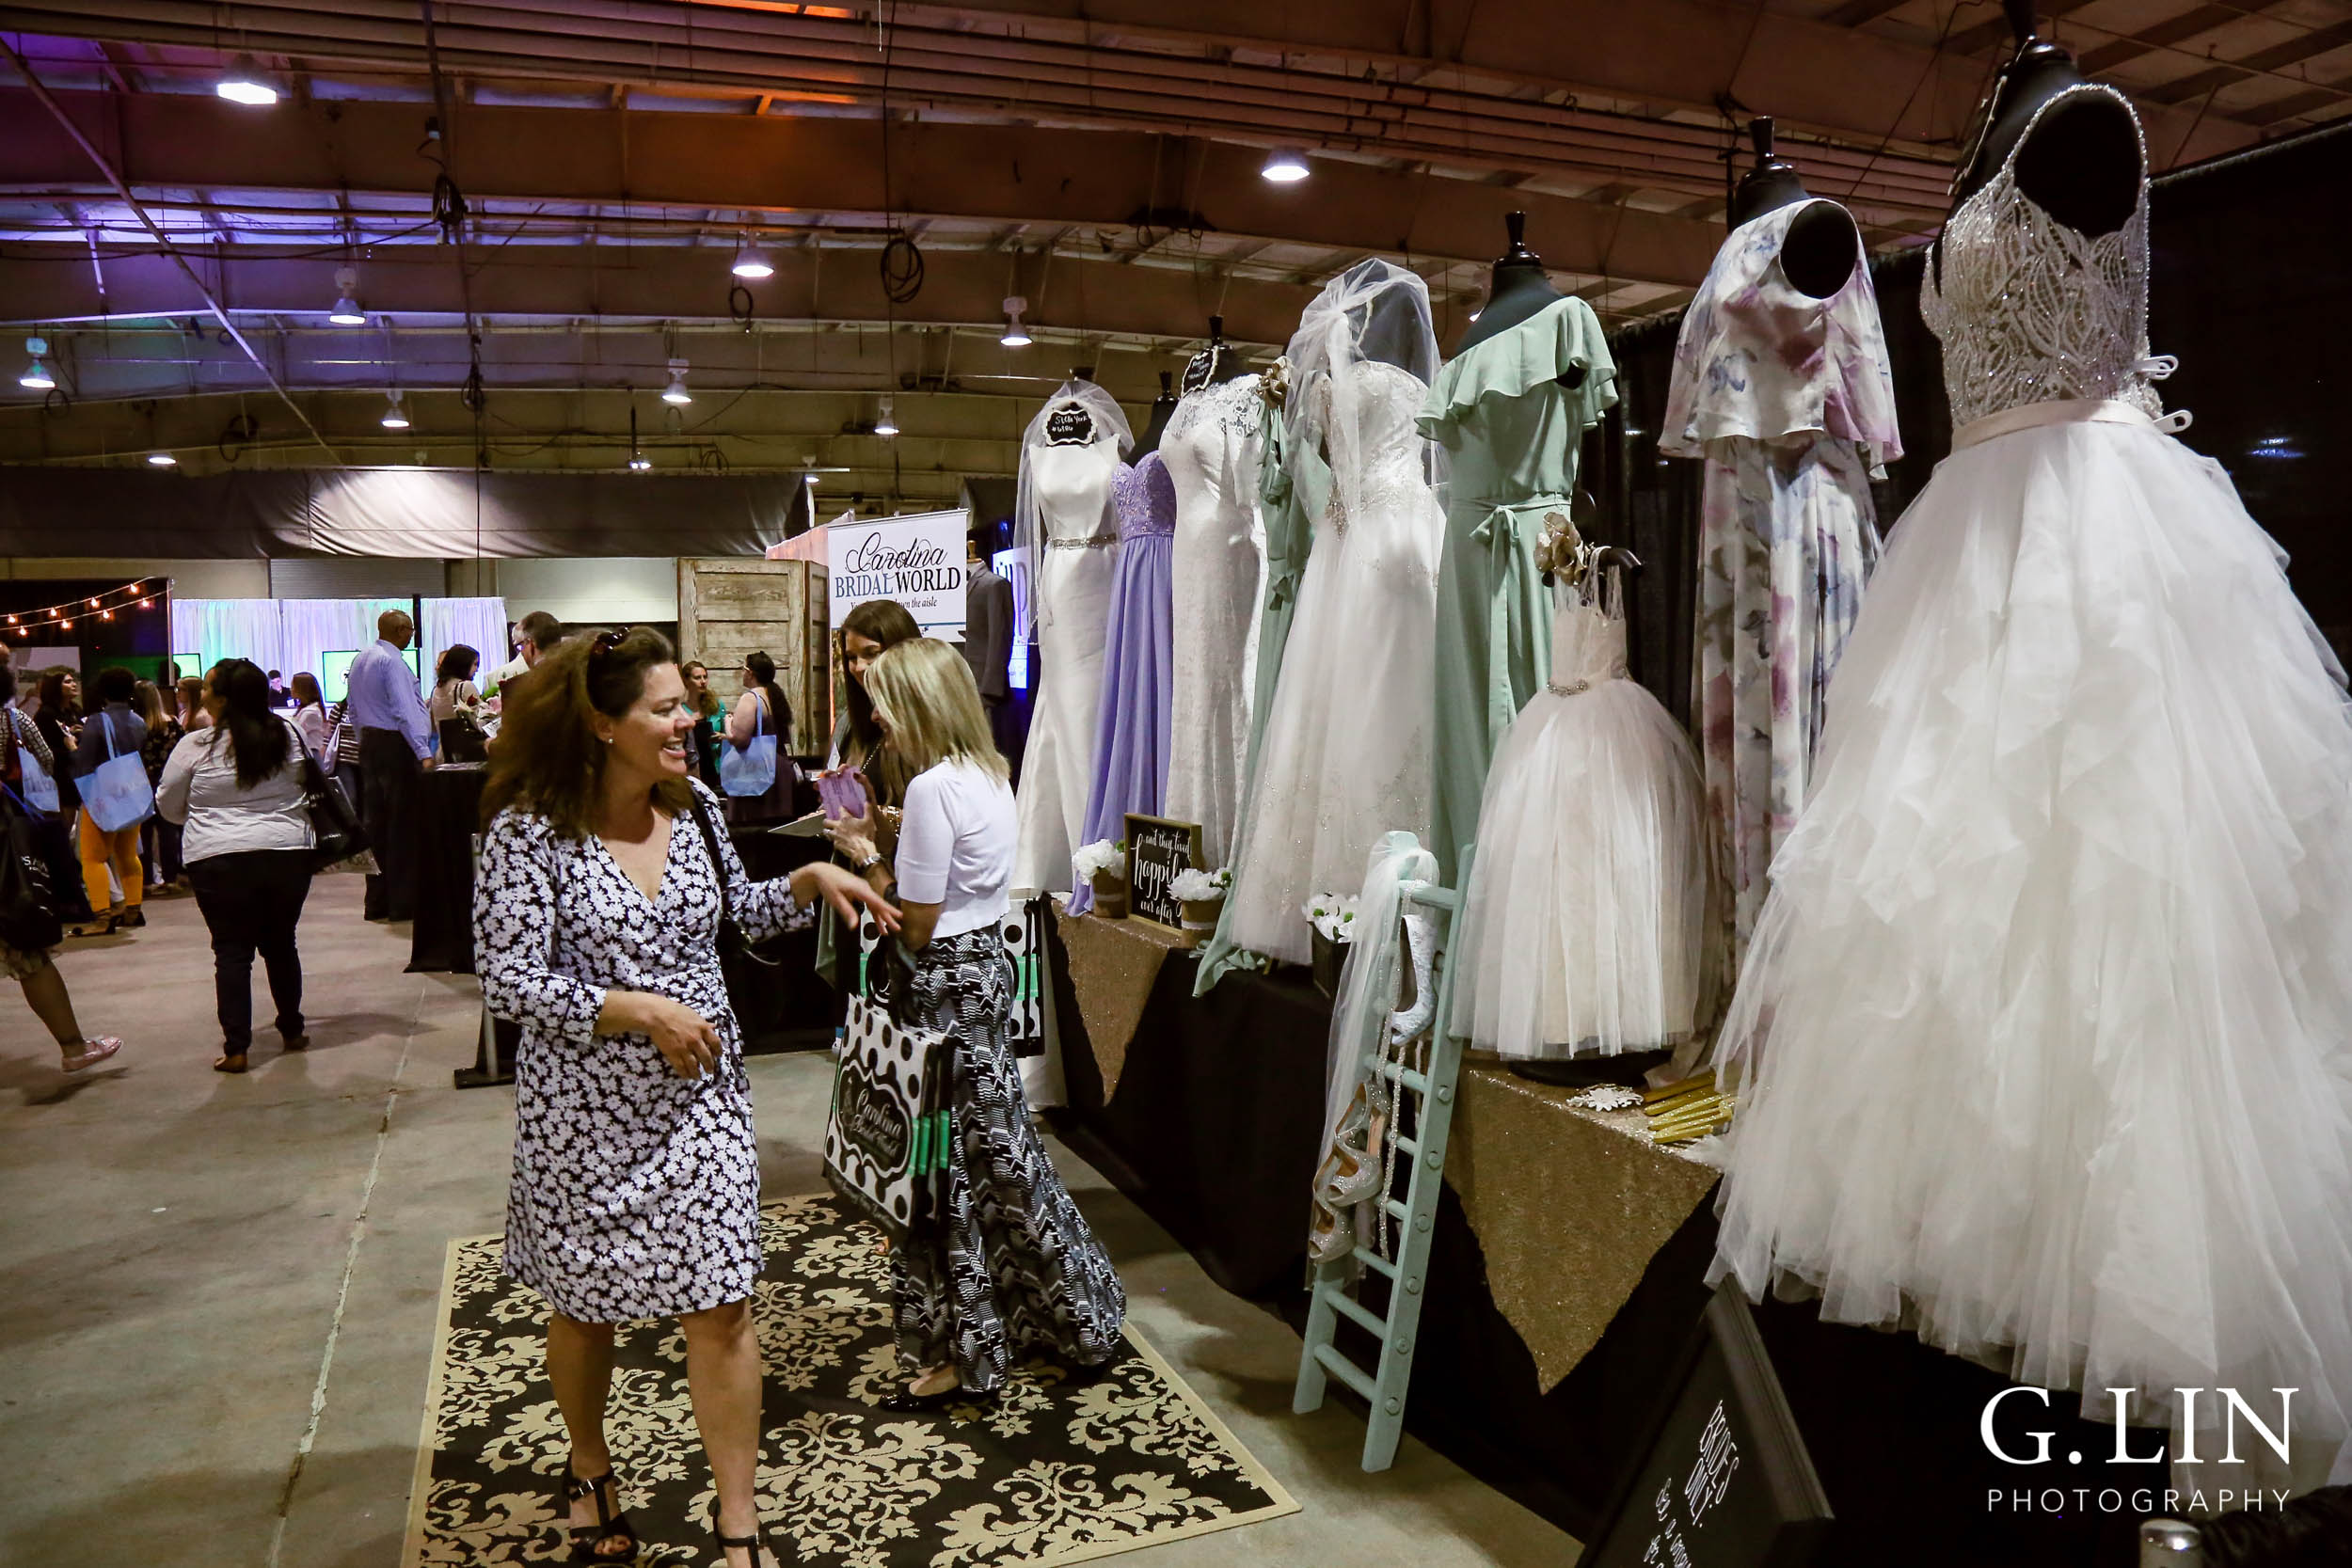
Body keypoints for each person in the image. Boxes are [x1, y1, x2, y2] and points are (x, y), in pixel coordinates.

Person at [473, 626, 895, 1568]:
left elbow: (734, 913)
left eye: (685, 702)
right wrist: (629, 1008)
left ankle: (737, 1515)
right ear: (598, 722)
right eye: (663, 707)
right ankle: (591, 1470)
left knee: (723, 1303)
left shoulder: (697, 804)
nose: (688, 719)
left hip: (701, 1100)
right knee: (585, 1304)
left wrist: (806, 877)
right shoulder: (528, 829)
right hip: (582, 1117)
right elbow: (506, 979)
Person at [829, 637, 1126, 1405]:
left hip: (942, 990)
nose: (880, 720)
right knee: (998, 1155)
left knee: (943, 1174)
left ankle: (967, 1349)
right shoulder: (989, 772)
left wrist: (862, 852)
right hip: (988, 969)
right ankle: (1064, 1313)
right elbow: (962, 883)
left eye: (887, 703)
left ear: (919, 705)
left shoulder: (932, 788)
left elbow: (916, 921)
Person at [157, 659, 317, 1073]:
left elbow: (169, 803)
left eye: (207, 688)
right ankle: (293, 1030)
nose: (201, 694)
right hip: (287, 852)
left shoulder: (196, 746)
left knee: (231, 952)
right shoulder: (289, 735)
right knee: (281, 943)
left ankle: (237, 1049)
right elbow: (310, 782)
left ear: (224, 699)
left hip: (217, 857)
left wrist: (203, 822)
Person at [0, 674, 124, 1071]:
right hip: (8, 840)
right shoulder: (13, 720)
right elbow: (50, 761)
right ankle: (74, 1046)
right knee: (28, 955)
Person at [347, 609, 435, 921]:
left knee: (376, 825)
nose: (412, 635)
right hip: (395, 746)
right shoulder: (393, 662)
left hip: (370, 744)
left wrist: (363, 743)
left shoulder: (361, 659)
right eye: (410, 629)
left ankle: (377, 901)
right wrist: (423, 750)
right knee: (402, 826)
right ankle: (403, 903)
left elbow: (353, 710)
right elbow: (404, 709)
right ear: (400, 630)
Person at [72, 665, 149, 935]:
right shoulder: (139, 721)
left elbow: (84, 762)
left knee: (92, 857)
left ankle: (102, 917)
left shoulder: (95, 721)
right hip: (132, 792)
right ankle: (133, 909)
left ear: (103, 691)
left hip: (101, 795)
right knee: (127, 854)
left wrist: (72, 750)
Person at [827, 599, 920, 806]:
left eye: (871, 653)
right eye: (852, 657)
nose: (859, 667)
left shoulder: (924, 723)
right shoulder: (848, 723)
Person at [723, 649, 796, 820]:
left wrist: (728, 721)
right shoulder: (774, 696)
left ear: (750, 673)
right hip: (779, 770)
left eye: (743, 669)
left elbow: (739, 739)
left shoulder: (751, 698)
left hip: (757, 772)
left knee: (753, 827)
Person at [134, 678, 185, 892]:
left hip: (139, 782)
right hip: (166, 781)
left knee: (144, 833)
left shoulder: (135, 725)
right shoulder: (172, 722)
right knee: (168, 832)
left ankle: (145, 881)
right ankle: (171, 878)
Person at [488, 610, 563, 689]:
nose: (521, 653)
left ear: (530, 645)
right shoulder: (573, 677)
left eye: (519, 647)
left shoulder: (510, 685)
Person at [680, 659, 724, 791]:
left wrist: (722, 737)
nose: (703, 681)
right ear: (687, 681)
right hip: (691, 769)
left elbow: (728, 734)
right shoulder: (681, 710)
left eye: (705, 677)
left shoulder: (717, 705)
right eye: (697, 678)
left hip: (715, 767)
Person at [429, 645, 482, 728]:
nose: (477, 669)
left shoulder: (435, 690)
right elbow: (478, 721)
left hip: (444, 740)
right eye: (475, 664)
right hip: (465, 740)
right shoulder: (466, 686)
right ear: (464, 664)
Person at [288, 673, 326, 758]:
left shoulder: (311, 712)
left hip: (312, 756)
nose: (291, 689)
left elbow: (294, 733)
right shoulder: (306, 710)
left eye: (293, 686)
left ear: (301, 689)